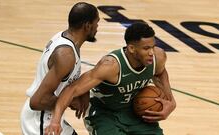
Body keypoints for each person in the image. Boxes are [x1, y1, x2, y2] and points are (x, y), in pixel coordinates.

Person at [45, 22, 176, 135]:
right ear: (131, 48)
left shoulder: (158, 57)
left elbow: (160, 73)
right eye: (146, 48)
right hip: (105, 113)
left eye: (153, 46)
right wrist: (55, 121)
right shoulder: (111, 66)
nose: (151, 52)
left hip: (134, 111)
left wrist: (171, 102)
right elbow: (72, 89)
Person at [20, 2, 100, 135]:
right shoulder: (66, 55)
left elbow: (63, 79)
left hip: (47, 116)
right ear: (87, 26)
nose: (97, 28)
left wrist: (82, 91)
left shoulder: (65, 37)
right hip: (40, 121)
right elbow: (37, 101)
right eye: (97, 23)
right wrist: (70, 100)